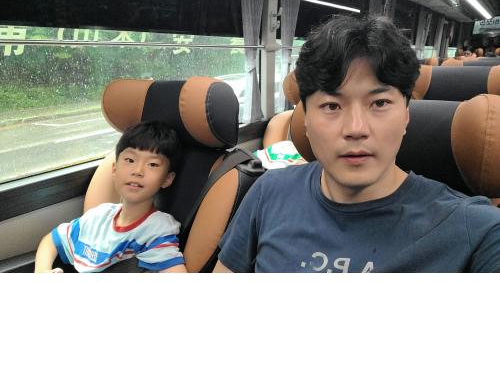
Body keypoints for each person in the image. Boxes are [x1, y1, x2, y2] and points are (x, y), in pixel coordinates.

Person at [214, 15, 500, 273]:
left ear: (406, 115)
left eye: (379, 103)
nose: (356, 129)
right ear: (306, 120)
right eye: (331, 106)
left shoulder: (476, 232)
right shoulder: (268, 193)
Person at [34, 121, 187, 273]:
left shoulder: (156, 230)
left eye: (152, 164)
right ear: (114, 169)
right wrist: (42, 272)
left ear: (167, 179)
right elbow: (51, 240)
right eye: (130, 160)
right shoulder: (99, 216)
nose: (138, 171)